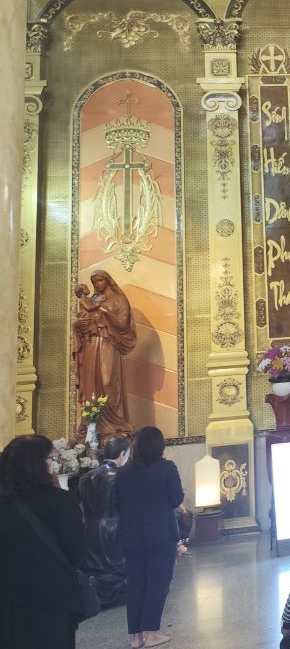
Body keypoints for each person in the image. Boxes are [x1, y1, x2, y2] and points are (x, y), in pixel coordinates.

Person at [0, 435, 86, 649]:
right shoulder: (59, 501)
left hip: (8, 603)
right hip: (51, 601)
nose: (53, 462)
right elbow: (77, 553)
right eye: (49, 457)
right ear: (37, 463)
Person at [115, 427, 184, 648]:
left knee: (135, 584)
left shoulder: (123, 472)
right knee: (158, 582)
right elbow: (176, 499)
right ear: (159, 446)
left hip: (131, 535)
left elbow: (118, 503)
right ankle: (152, 633)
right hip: (161, 533)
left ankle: (135, 637)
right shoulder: (167, 468)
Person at [71, 269, 138, 442]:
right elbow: (82, 322)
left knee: (108, 382)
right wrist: (76, 325)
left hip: (108, 343)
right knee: (90, 385)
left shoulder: (118, 300)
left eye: (100, 281)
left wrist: (105, 311)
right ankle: (93, 427)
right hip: (91, 345)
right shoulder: (89, 300)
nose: (97, 285)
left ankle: (116, 424)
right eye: (94, 282)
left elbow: (122, 324)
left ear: (108, 281)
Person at [78, 436, 130, 608]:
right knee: (115, 565)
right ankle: (118, 591)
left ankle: (100, 593)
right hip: (114, 527)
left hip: (90, 527)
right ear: (122, 454)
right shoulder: (120, 475)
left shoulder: (85, 478)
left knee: (98, 565)